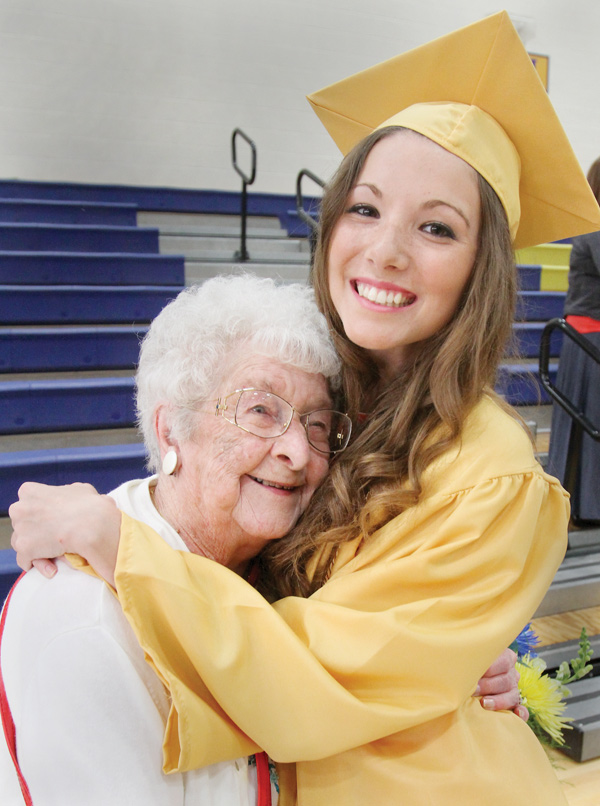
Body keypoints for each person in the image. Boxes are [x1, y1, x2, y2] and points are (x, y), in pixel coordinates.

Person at [9, 12, 600, 805]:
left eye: (436, 227)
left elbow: (318, 675)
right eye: (364, 208)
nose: (386, 249)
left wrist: (120, 543)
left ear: (480, 272)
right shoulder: (332, 391)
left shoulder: (487, 470)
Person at [0, 274, 352, 805]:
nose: (299, 453)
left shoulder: (293, 570)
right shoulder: (85, 616)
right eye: (261, 410)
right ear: (171, 431)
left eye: (318, 424)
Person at [547, 156, 600, 523]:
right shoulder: (595, 224)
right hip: (589, 340)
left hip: (590, 339)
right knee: (588, 426)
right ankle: (584, 506)